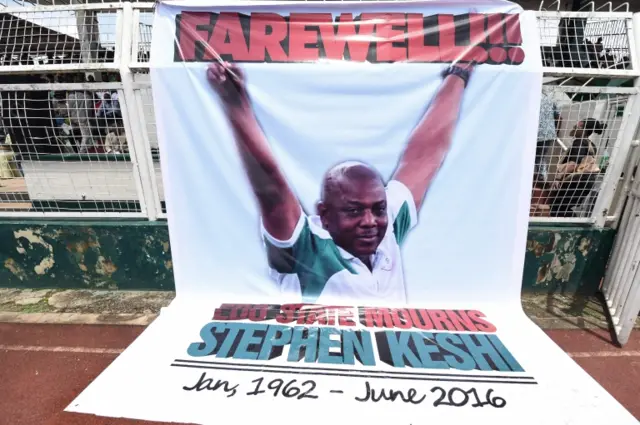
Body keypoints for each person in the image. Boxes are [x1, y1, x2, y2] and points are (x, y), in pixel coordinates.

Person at [207, 61, 474, 304]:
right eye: (354, 211)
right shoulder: (307, 248)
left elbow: (424, 155)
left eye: (378, 209)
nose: (370, 221)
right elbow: (270, 188)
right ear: (324, 214)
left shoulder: (387, 225)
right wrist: (235, 104)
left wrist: (458, 74)